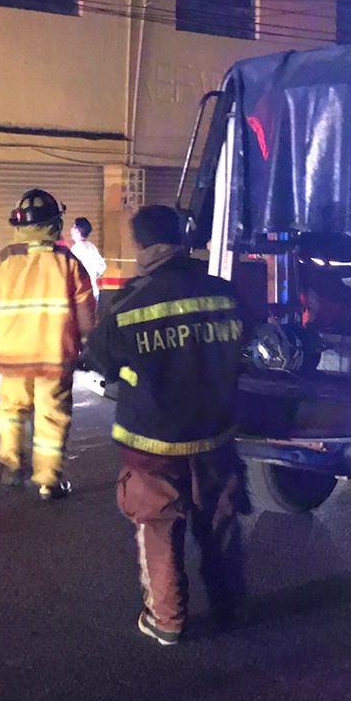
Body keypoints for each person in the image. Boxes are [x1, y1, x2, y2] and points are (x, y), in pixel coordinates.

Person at [87, 204, 247, 646]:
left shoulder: (129, 303)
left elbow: (100, 358)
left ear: (139, 245)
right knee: (220, 519)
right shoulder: (224, 293)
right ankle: (229, 608)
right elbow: (248, 341)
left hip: (152, 440)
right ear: (181, 238)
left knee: (159, 525)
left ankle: (168, 620)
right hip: (215, 433)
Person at [0, 188, 97, 501]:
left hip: (13, 356)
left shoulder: (2, 262)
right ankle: (48, 482)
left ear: (19, 224)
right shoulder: (69, 263)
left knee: (12, 411)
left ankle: (11, 466)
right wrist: (89, 348)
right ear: (56, 223)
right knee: (52, 417)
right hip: (55, 356)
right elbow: (86, 312)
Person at [67, 217, 107, 299]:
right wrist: (92, 276)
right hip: (94, 291)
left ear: (78, 230)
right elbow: (102, 266)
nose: (71, 230)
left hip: (81, 293)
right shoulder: (92, 247)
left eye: (73, 227)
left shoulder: (76, 249)